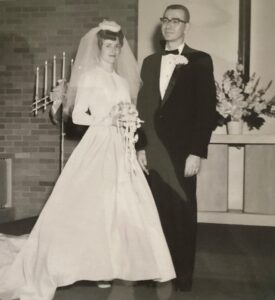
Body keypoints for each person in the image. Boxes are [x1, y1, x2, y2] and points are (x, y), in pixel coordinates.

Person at [0, 20, 175, 300]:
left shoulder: (120, 80)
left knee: (123, 205)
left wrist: (129, 129)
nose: (113, 51)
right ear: (98, 48)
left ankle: (111, 266)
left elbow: (129, 111)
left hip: (121, 147)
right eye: (108, 46)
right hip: (98, 145)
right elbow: (79, 116)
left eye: (116, 47)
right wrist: (110, 118)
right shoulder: (91, 77)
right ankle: (71, 263)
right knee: (89, 205)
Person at [136, 4, 217, 292]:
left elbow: (206, 111)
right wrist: (140, 147)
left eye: (176, 21)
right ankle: (151, 272)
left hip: (183, 152)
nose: (169, 25)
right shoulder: (148, 62)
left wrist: (197, 152)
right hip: (152, 150)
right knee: (150, 211)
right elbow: (142, 107)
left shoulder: (200, 60)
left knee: (181, 212)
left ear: (186, 27)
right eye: (166, 20)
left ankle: (182, 276)